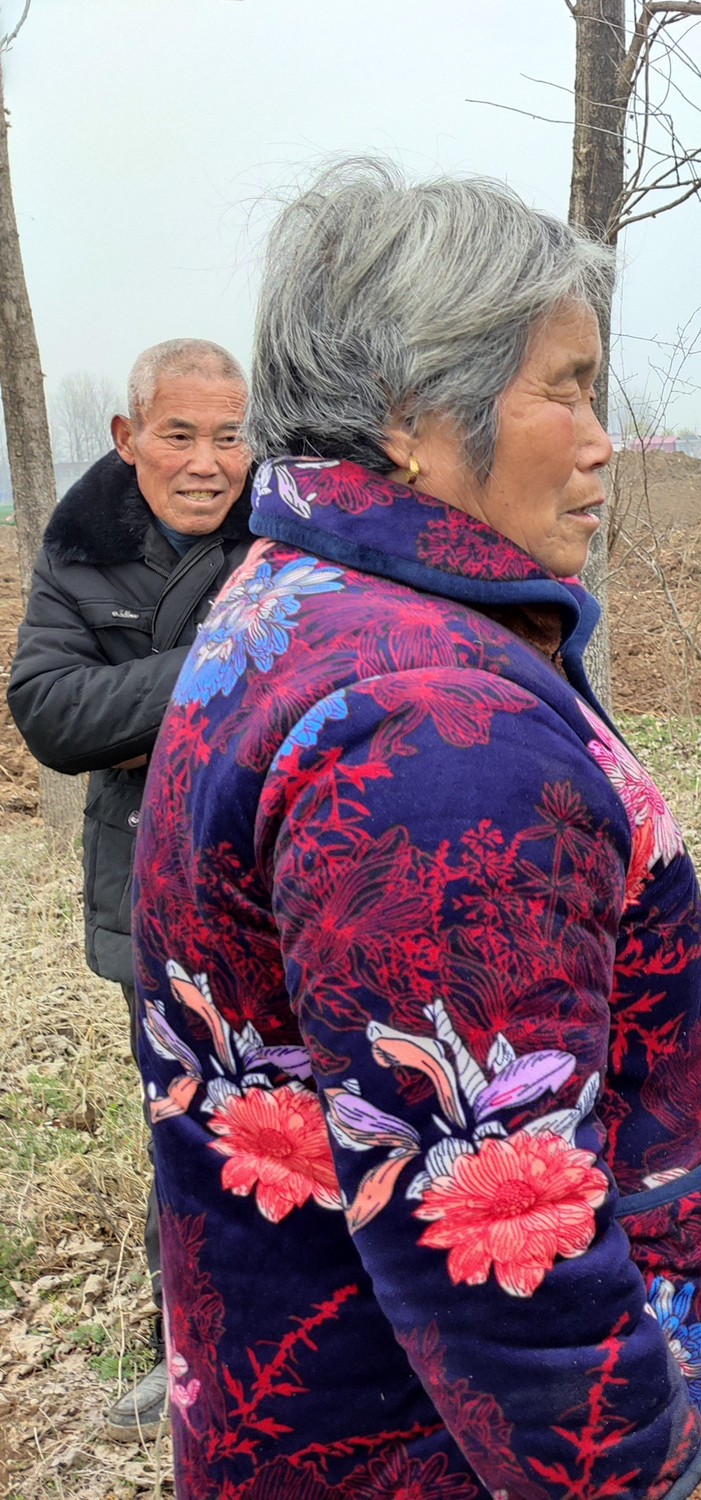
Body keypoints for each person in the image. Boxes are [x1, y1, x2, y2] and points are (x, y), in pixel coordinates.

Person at [127, 160, 701, 1499]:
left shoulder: (297, 597)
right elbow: (493, 1222)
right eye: (569, 384)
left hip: (309, 1406)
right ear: (419, 410)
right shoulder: (426, 729)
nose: (603, 439)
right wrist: (666, 1473)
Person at [9, 338, 256, 1441]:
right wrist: (228, 656)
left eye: (230, 435)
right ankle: (189, 1351)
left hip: (275, 871)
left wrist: (141, 712)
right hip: (148, 887)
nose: (207, 463)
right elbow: (52, 713)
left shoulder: (289, 527)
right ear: (127, 437)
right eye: (179, 434)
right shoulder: (79, 547)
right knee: (185, 1124)